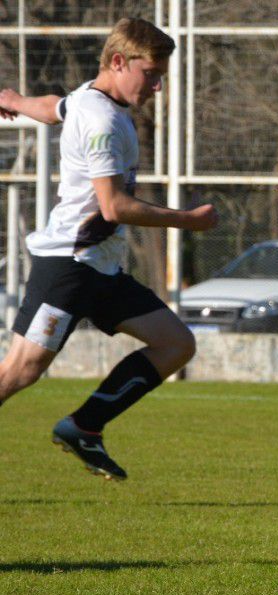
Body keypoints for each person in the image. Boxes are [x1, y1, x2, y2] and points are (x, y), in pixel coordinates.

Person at [0, 18, 218, 481]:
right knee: (19, 372)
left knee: (175, 343)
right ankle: (84, 426)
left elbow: (53, 107)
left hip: (100, 269)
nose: (157, 86)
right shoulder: (102, 121)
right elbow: (114, 206)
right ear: (119, 62)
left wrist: (14, 101)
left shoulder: (89, 99)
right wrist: (187, 220)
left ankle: (84, 427)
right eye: (151, 73)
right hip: (68, 266)